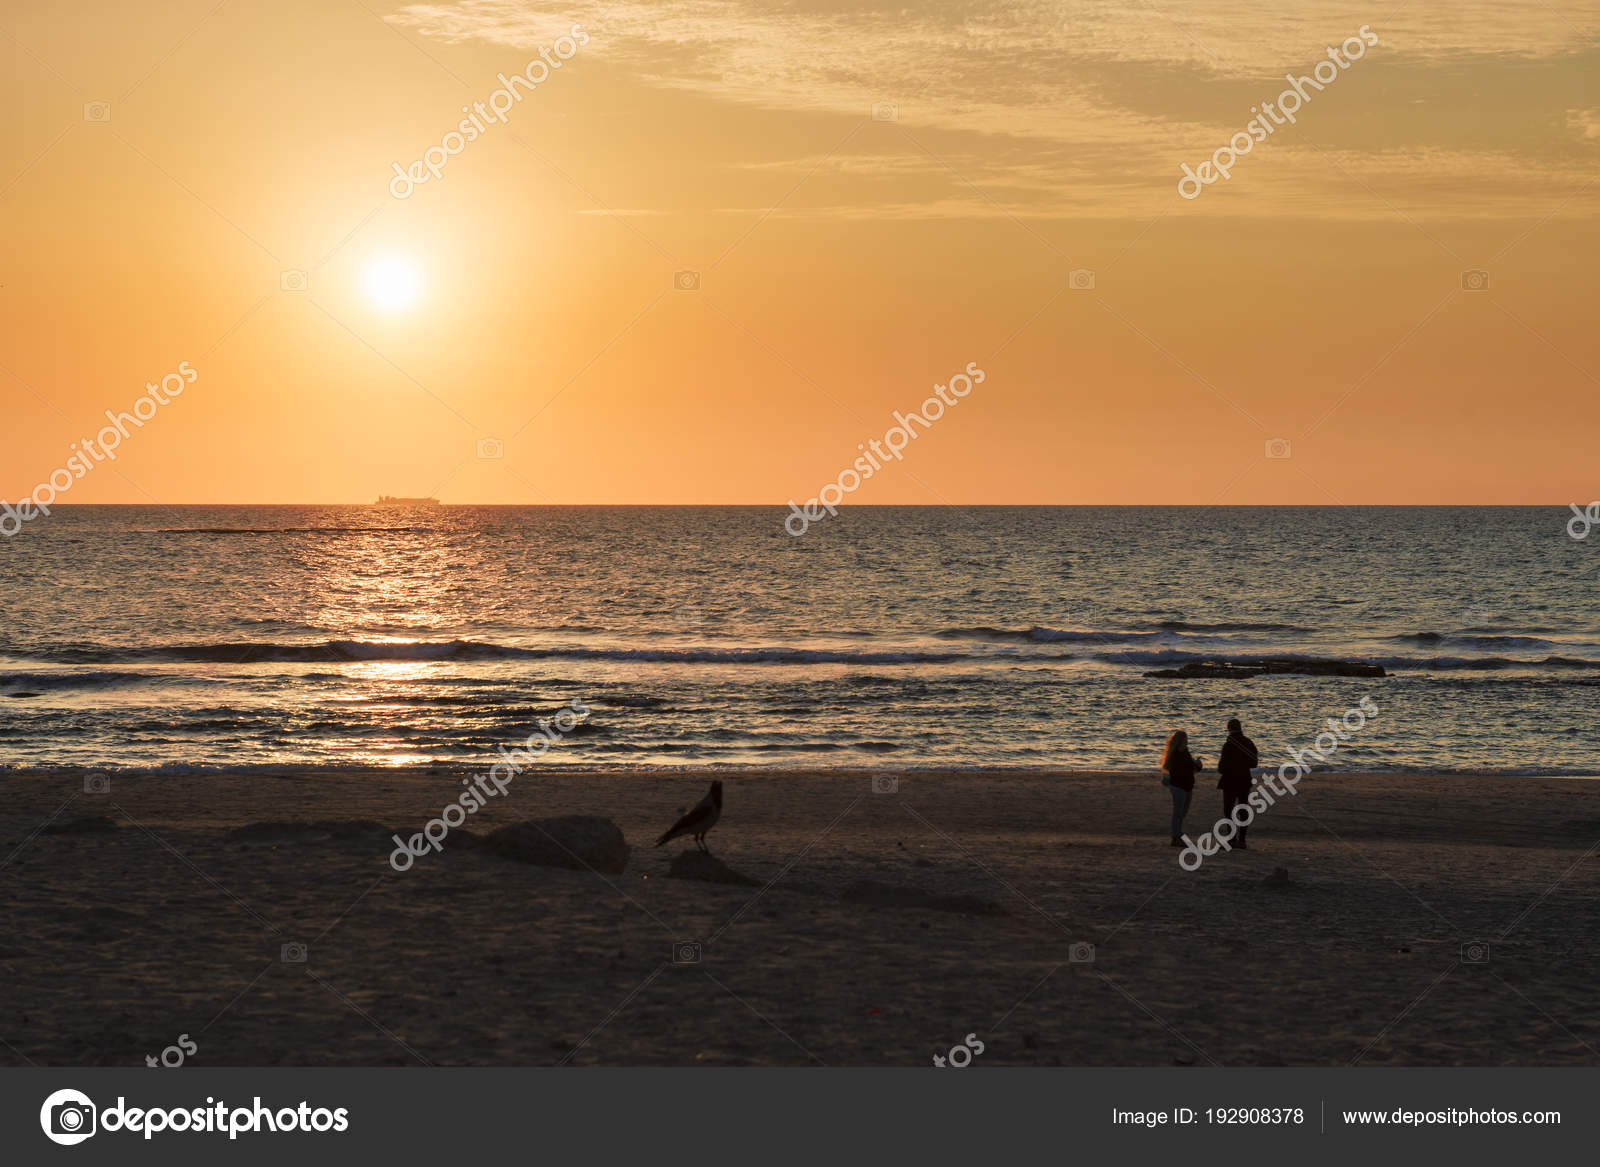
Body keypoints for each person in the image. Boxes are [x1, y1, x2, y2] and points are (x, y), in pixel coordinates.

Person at [1216, 718, 1260, 849]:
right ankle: (1242, 840)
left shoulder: (1228, 745)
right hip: (1244, 779)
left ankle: (1231, 839)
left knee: (1228, 810)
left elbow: (1221, 767)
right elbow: (1254, 763)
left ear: (1229, 729)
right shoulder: (1248, 742)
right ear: (1240, 728)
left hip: (1229, 780)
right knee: (1243, 809)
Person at [1161, 730, 1204, 846]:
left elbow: (1192, 768)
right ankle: (1176, 836)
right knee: (1178, 812)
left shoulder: (1185, 752)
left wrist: (1198, 765)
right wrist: (1193, 766)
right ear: (1180, 741)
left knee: (1182, 812)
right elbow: (1177, 769)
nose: (1186, 742)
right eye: (1185, 740)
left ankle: (1178, 834)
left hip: (1187, 785)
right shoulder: (1174, 755)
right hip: (1178, 786)